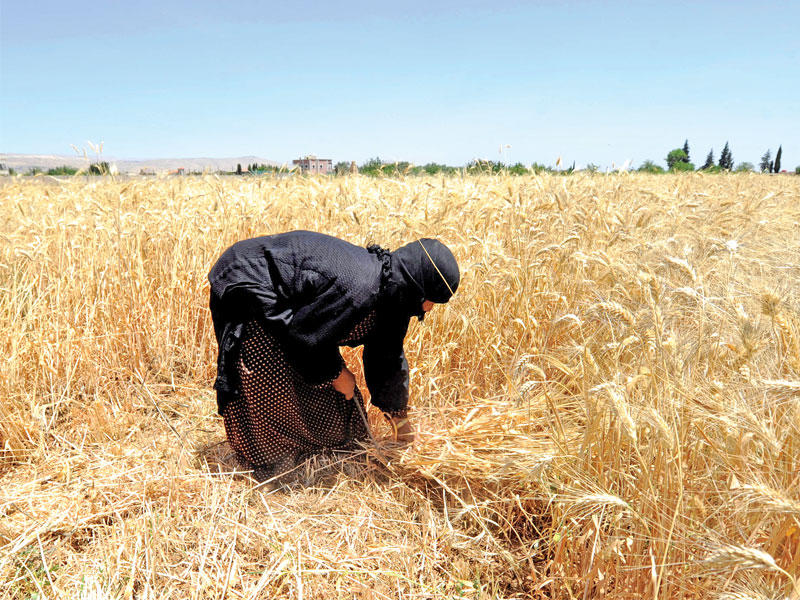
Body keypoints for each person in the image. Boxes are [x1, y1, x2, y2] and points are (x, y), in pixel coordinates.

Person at [208, 230, 460, 480]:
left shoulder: (393, 296)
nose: (429, 308)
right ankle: (272, 466)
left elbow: (387, 355)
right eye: (431, 300)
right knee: (271, 379)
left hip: (300, 325)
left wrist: (399, 419)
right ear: (416, 286)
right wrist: (337, 374)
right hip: (250, 286)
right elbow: (304, 338)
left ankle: (308, 450)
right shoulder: (360, 288)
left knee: (344, 424)